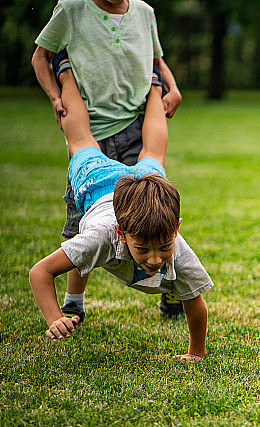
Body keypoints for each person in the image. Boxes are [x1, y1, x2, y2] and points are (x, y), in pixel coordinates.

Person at [28, 54, 212, 360]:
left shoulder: (175, 244)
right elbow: (40, 273)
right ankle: (66, 71)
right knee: (80, 138)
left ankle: (153, 84)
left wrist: (196, 354)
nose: (155, 259)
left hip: (143, 184)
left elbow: (196, 303)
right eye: (143, 249)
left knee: (154, 150)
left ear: (176, 227)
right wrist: (53, 317)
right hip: (97, 184)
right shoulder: (102, 235)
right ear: (121, 232)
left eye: (164, 247)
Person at [32, 0, 184, 323]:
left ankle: (174, 288)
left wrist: (170, 86)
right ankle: (74, 301)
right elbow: (38, 57)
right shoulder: (71, 9)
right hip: (91, 123)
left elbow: (156, 60)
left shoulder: (144, 12)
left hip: (133, 124)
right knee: (82, 224)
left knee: (154, 214)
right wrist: (56, 95)